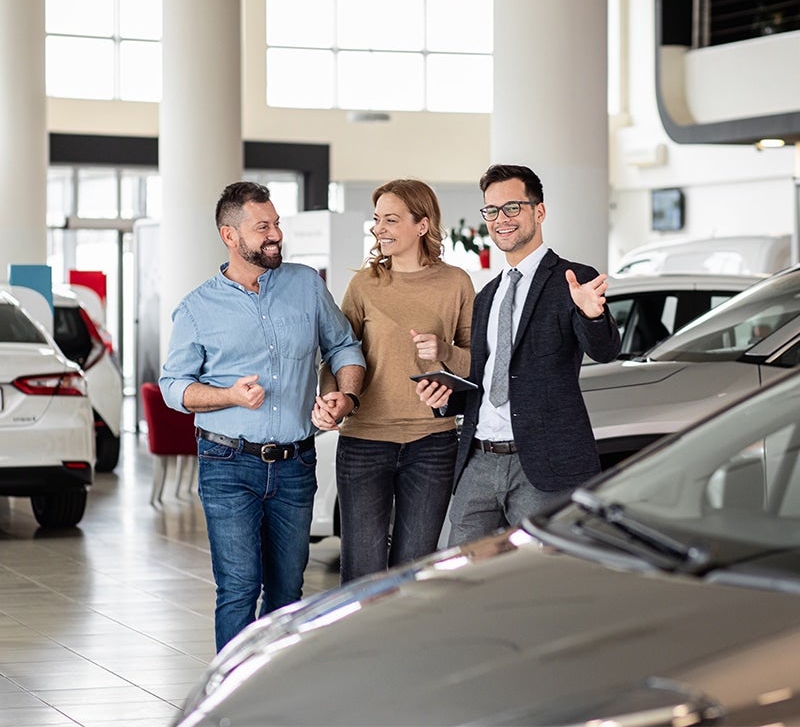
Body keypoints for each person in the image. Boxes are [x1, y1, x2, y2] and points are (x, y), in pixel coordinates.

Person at [159, 181, 365, 652]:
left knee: (288, 593)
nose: (275, 235)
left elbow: (343, 346)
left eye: (276, 224)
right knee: (239, 588)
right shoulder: (196, 308)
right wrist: (228, 395)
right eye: (262, 227)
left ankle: (278, 687)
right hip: (228, 464)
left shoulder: (306, 285)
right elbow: (173, 387)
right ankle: (234, 692)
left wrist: (345, 395)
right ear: (230, 236)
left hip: (296, 463)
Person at [417, 164, 621, 545]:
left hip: (543, 467)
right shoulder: (487, 296)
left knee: (542, 572)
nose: (501, 219)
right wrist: (445, 398)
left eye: (512, 207)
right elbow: (485, 381)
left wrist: (592, 315)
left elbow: (606, 350)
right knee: (462, 571)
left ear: (539, 212)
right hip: (479, 461)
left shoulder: (572, 280)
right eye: (491, 210)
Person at [313, 179, 474, 583]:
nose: (378, 228)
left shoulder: (456, 282)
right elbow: (337, 352)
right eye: (377, 219)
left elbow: (477, 362)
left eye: (390, 219)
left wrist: (445, 351)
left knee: (414, 571)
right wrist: (331, 398)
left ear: (422, 225)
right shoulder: (364, 285)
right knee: (363, 570)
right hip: (365, 442)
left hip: (433, 443)